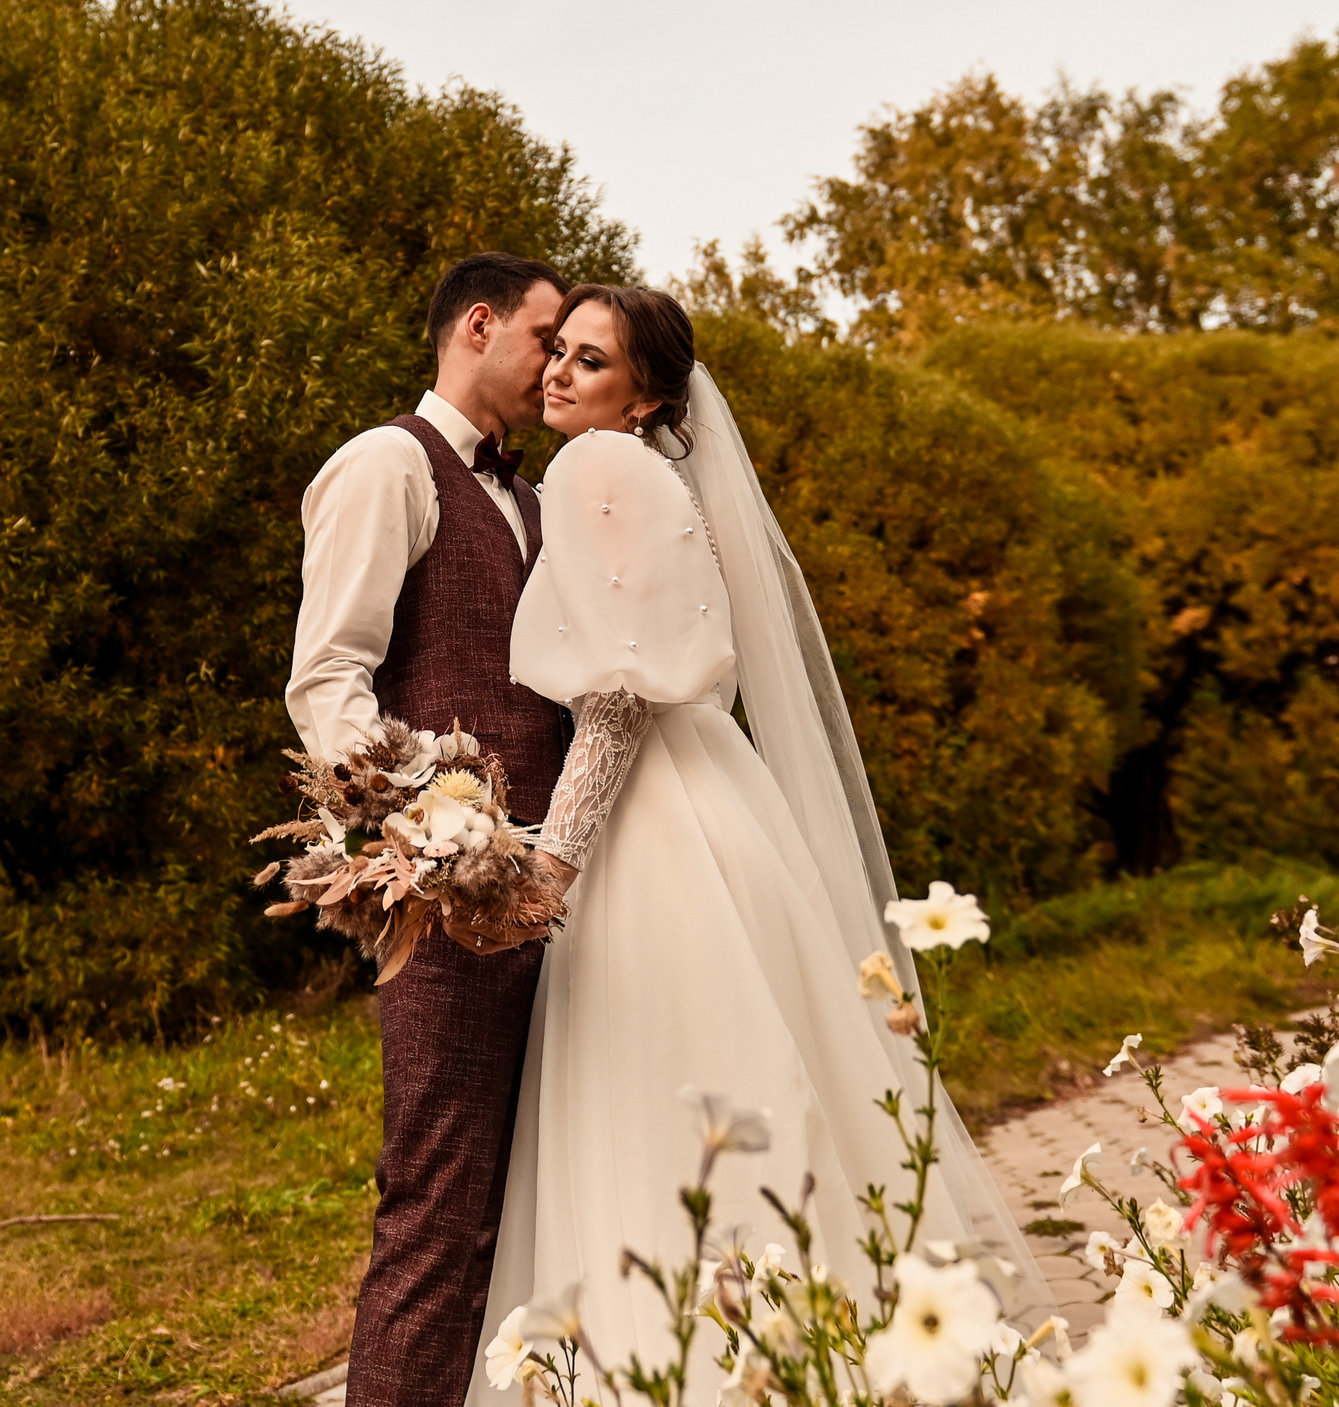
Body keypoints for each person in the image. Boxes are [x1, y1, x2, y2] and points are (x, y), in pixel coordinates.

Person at [466, 285, 1047, 1403]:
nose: (561, 375)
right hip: (714, 801)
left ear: (645, 397)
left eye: (591, 364)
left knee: (652, 1087)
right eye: (561, 353)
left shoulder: (596, 468)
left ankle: (682, 1359)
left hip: (645, 822)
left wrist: (556, 861)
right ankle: (815, 1338)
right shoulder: (656, 475)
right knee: (745, 1069)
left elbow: (621, 696)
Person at [287, 252, 572, 1407]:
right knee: (438, 1203)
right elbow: (328, 684)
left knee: (528, 1200)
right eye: (546, 338)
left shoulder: (532, 499)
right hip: (451, 897)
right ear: (478, 323)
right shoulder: (386, 464)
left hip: (554, 895)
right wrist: (436, 838)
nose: (556, 364)